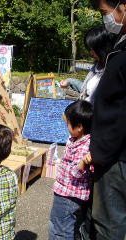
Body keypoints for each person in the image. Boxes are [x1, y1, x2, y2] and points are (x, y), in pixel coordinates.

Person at [88, 0, 126, 239]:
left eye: (105, 12)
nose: (106, 18)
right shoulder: (120, 46)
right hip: (115, 153)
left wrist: (100, 152)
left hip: (116, 157)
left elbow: (118, 110)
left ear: (123, 6)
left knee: (109, 224)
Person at [49, 100, 94, 240]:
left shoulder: (84, 147)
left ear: (79, 127)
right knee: (60, 224)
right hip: (65, 191)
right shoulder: (77, 138)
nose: (67, 127)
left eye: (68, 124)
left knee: (60, 230)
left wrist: (82, 164)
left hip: (68, 195)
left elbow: (76, 173)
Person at [60, 25, 117, 103]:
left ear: (103, 48)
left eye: (93, 49)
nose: (91, 53)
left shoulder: (114, 73)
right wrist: (69, 81)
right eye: (90, 49)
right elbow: (87, 89)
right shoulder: (97, 68)